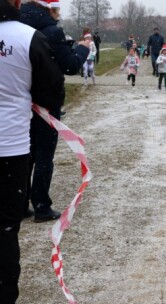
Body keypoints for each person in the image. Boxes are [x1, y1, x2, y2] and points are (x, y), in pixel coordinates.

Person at [1, 0, 64, 301]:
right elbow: (51, 88)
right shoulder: (28, 37)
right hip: (10, 147)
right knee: (5, 229)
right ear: (15, 3)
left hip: (12, 145)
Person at [20, 0, 90, 222]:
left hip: (21, 100)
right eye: (58, 11)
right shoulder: (52, 32)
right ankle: (41, 205)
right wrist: (82, 48)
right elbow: (70, 65)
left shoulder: (18, 26)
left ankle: (21, 203)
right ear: (50, 9)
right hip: (46, 100)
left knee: (24, 154)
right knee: (44, 155)